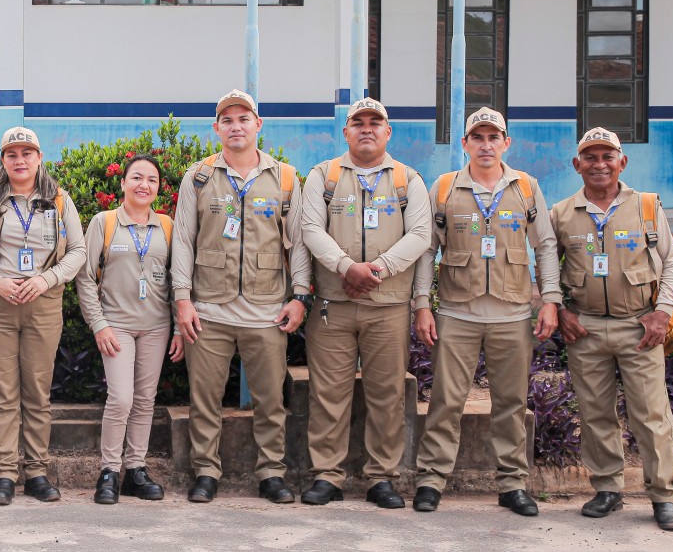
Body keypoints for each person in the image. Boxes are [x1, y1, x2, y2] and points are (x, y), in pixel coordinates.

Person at [412, 107, 561, 516]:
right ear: (465, 143)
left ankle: (512, 484)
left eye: (493, 137)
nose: (486, 144)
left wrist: (550, 299)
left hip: (512, 315)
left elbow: (545, 245)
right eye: (477, 137)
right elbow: (428, 249)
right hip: (458, 313)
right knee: (445, 400)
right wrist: (423, 304)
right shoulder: (444, 188)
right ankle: (430, 480)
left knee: (511, 402)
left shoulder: (526, 188)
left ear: (506, 143)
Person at [171, 89, 308, 504]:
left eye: (243, 119)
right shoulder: (198, 176)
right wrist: (182, 298)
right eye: (227, 120)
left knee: (270, 400)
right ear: (217, 128)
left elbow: (298, 243)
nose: (236, 126)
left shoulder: (284, 177)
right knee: (204, 399)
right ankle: (206, 471)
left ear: (258, 125)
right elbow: (182, 240)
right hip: (209, 310)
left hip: (267, 311)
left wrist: (299, 296)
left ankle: (271, 473)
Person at [297, 98, 431, 508]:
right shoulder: (324, 175)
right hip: (332, 306)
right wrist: (344, 267)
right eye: (359, 123)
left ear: (388, 132)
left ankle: (381, 478)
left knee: (386, 395)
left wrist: (376, 270)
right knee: (328, 393)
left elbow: (421, 235)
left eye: (376, 123)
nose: (367, 129)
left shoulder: (409, 180)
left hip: (388, 306)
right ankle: (327, 475)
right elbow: (309, 229)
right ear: (346, 132)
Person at [551, 127, 673, 530]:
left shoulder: (646, 206)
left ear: (621, 162)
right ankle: (607, 489)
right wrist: (560, 312)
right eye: (590, 157)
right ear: (578, 165)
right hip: (585, 328)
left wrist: (662, 312)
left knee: (651, 414)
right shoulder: (561, 213)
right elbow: (545, 269)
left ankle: (664, 495)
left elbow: (672, 262)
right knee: (595, 414)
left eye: (607, 156)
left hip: (639, 327)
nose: (599, 164)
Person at [0, 126, 87, 505]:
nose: (20, 160)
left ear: (39, 157)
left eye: (26, 153)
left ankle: (37, 472)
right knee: (2, 393)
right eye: (12, 154)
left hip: (43, 303)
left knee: (37, 392)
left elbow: (78, 250)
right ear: (3, 160)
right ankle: (3, 473)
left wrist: (47, 279)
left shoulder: (58, 200)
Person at [75, 154, 184, 504]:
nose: (143, 185)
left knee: (144, 400)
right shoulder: (104, 222)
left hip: (155, 327)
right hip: (116, 325)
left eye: (151, 180)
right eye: (136, 178)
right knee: (120, 398)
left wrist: (180, 329)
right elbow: (85, 277)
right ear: (122, 183)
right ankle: (109, 470)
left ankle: (135, 470)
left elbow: (177, 281)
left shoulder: (167, 225)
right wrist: (99, 324)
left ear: (158, 188)